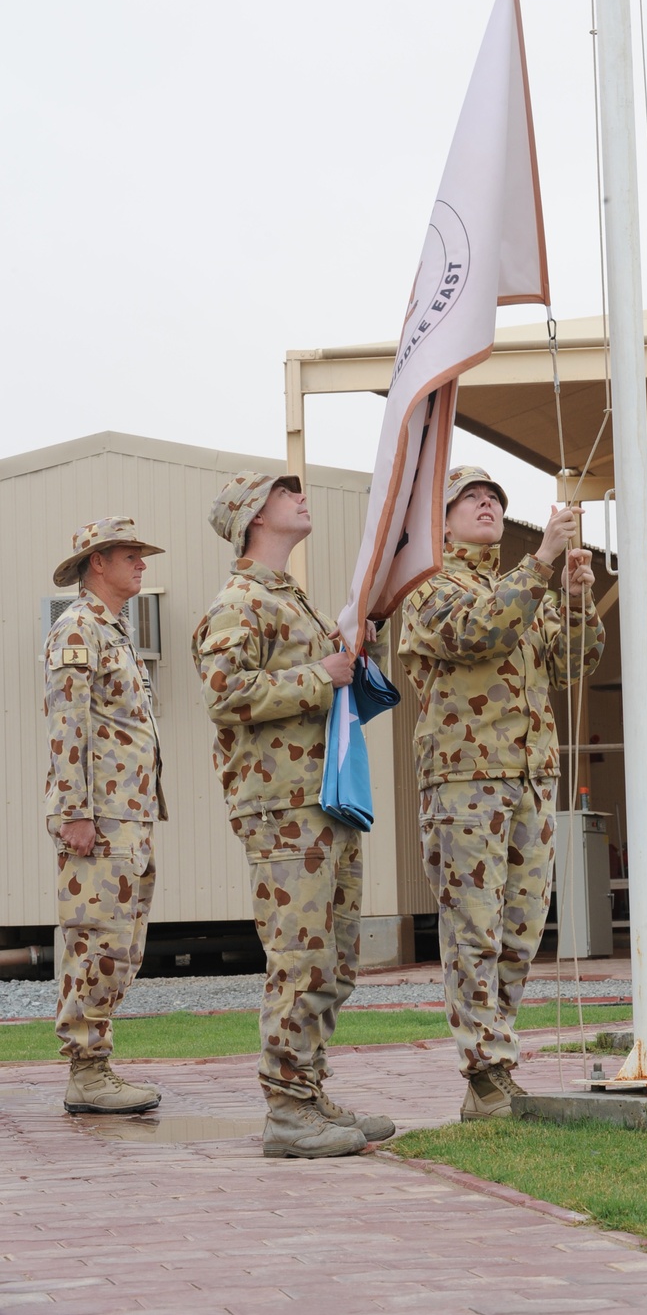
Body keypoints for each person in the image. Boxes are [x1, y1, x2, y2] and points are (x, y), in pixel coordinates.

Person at [192, 472, 395, 1159]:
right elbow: (226, 695)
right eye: (285, 493)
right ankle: (287, 1109)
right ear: (254, 515)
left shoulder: (289, 600)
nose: (300, 498)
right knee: (299, 957)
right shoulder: (240, 602)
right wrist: (323, 674)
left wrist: (348, 653)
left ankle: (307, 1090)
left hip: (321, 798)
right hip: (283, 806)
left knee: (333, 957)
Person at [398, 465, 605, 1120]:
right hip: (465, 781)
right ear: (442, 519)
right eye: (470, 499)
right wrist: (542, 561)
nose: (486, 505)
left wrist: (575, 600)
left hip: (529, 778)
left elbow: (574, 665)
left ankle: (497, 1064)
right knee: (473, 931)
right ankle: (483, 1071)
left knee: (520, 932)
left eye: (494, 499)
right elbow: (477, 630)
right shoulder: (429, 585)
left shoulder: (527, 587)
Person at [43, 517, 167, 1115]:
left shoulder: (112, 630)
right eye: (130, 555)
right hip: (100, 817)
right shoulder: (78, 630)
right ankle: (87, 1072)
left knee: (123, 943)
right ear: (98, 563)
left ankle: (97, 1066)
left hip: (129, 814)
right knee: (98, 939)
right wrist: (75, 811)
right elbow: (69, 724)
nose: (142, 564)